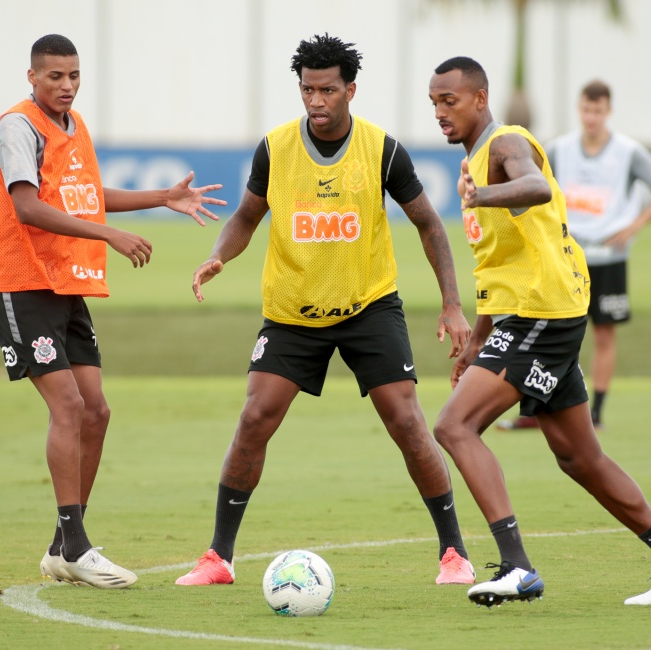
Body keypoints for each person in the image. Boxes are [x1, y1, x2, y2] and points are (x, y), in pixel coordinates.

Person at [175, 34, 475, 588]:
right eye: (308, 89)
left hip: (368, 305)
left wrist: (453, 304)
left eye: (328, 89)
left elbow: (430, 224)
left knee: (407, 421)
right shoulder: (276, 147)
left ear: (350, 90)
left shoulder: (382, 149)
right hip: (293, 311)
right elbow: (246, 215)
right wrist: (219, 256)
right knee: (254, 418)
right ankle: (218, 558)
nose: (316, 100)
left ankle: (454, 552)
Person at [427, 56, 651, 606]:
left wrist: (483, 194)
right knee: (580, 457)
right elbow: (496, 263)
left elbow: (533, 186)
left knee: (455, 426)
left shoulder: (506, 143)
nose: (441, 112)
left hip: (545, 311)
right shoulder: (472, 165)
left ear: (481, 99)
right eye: (434, 102)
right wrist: (481, 335)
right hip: (533, 311)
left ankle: (516, 567)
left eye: (450, 101)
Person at [0, 34, 225, 589]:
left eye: (73, 76)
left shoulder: (75, 126)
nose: (66, 86)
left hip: (65, 285)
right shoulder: (18, 126)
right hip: (18, 284)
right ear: (32, 77)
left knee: (97, 411)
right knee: (67, 406)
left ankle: (64, 545)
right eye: (54, 77)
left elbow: (86, 194)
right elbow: (26, 205)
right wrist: (108, 234)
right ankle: (76, 544)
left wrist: (162, 197)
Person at [498, 80, 651, 432]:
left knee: (603, 335)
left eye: (597, 110)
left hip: (609, 258)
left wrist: (634, 226)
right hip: (566, 257)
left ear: (607, 111)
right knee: (554, 332)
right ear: (579, 109)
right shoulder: (559, 149)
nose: (591, 117)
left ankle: (595, 414)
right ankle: (537, 411)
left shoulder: (627, 151)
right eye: (585, 109)